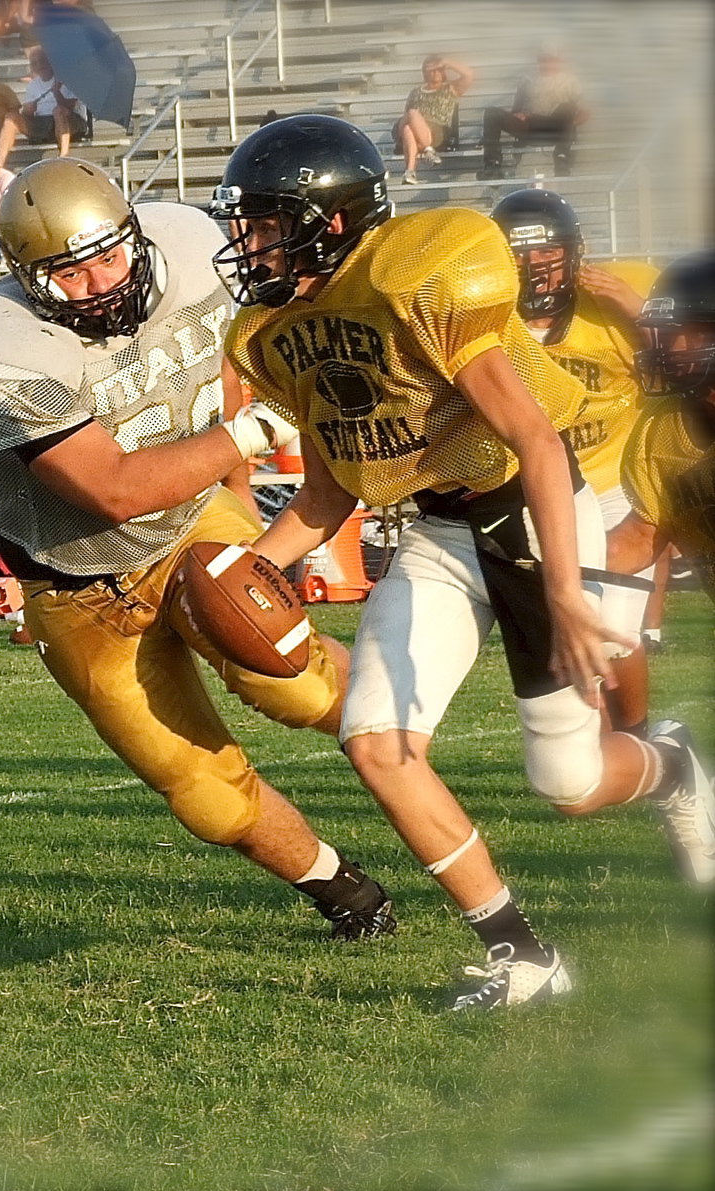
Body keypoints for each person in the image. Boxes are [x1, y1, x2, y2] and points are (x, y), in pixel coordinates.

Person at [213, 114, 715, 1010]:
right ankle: (521, 955)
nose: (250, 242)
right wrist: (247, 571)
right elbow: (330, 493)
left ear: (329, 220)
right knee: (376, 744)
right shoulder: (274, 329)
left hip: (526, 511)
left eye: (265, 220)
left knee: (567, 783)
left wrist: (564, 589)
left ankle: (670, 766)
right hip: (437, 531)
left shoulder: (420, 276)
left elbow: (535, 439)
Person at [0, 156, 397, 943]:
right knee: (204, 793)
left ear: (136, 237)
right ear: (25, 280)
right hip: (76, 586)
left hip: (193, 524)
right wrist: (251, 435)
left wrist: (239, 491)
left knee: (300, 687)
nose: (100, 284)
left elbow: (222, 359)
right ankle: (345, 892)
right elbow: (110, 489)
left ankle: (422, 781)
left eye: (109, 257)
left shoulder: (187, 243)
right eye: (69, 275)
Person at [489, 189, 659, 737]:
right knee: (564, 624)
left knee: (609, 622)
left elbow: (690, 357)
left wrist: (639, 311)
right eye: (520, 256)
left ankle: (637, 735)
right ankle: (605, 742)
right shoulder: (483, 315)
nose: (536, 270)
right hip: (535, 488)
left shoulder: (616, 296)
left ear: (574, 252)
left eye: (548, 254)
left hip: (614, 483)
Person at [608, 249, 715, 606]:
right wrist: (559, 564)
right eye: (667, 334)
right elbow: (642, 536)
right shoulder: (663, 426)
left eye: (688, 333)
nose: (670, 349)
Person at [477, 45, 588, 180]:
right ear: (539, 60)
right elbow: (516, 110)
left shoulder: (570, 81)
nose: (547, 62)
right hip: (529, 127)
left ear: (558, 61)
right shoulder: (527, 79)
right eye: (544, 58)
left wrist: (570, 124)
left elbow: (584, 112)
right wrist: (517, 115)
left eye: (551, 59)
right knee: (491, 113)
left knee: (568, 106)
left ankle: (561, 158)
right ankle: (492, 165)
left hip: (555, 129)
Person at [0, 44, 88, 162]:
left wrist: (57, 93)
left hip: (70, 120)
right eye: (34, 63)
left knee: (58, 110)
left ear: (50, 61)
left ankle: (64, 156)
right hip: (42, 122)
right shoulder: (32, 85)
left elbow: (71, 106)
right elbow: (28, 115)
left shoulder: (66, 79)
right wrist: (28, 110)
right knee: (11, 117)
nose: (39, 65)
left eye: (42, 61)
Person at [392, 54, 473, 186]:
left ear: (443, 71)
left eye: (438, 69)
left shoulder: (449, 89)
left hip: (436, 130)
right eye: (430, 70)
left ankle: (410, 171)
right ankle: (428, 151)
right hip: (411, 128)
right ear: (425, 73)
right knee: (411, 117)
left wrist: (447, 62)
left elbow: (468, 74)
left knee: (409, 126)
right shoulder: (415, 92)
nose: (434, 73)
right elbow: (406, 114)